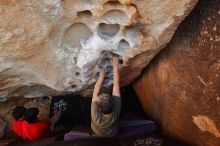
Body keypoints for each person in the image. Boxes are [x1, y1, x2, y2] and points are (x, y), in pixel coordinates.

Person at [91, 54, 121, 137]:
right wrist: (115, 64)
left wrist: (101, 77)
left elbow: (94, 94)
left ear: (99, 108)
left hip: (97, 132)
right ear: (113, 103)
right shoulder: (115, 113)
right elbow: (116, 85)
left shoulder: (95, 116)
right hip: (112, 133)